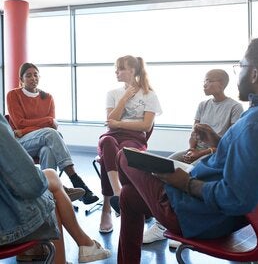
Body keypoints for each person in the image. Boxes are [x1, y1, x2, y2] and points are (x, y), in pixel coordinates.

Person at [116, 34, 258, 264]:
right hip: (228, 216)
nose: (238, 73)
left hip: (197, 216)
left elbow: (234, 198)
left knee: (123, 155)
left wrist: (184, 182)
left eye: (240, 67)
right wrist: (219, 142)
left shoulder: (255, 126)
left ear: (255, 73)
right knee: (129, 196)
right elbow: (251, 162)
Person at [143, 69, 244, 244]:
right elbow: (194, 133)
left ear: (221, 84)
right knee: (166, 164)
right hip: (196, 150)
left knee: (189, 173)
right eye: (204, 81)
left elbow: (227, 144)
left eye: (208, 81)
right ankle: (162, 223)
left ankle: (182, 225)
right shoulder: (203, 105)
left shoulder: (235, 107)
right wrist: (191, 149)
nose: (204, 84)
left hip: (215, 153)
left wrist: (199, 153)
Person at [0, 113, 111, 264]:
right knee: (52, 192)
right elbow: (32, 186)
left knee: (48, 151)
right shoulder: (13, 98)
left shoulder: (46, 98)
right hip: (6, 229)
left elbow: (50, 122)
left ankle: (83, 243)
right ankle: (84, 244)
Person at [6, 62, 99, 205]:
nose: (33, 78)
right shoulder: (13, 95)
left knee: (48, 149)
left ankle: (49, 193)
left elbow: (49, 127)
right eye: (28, 75)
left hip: (39, 139)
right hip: (22, 144)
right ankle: (75, 180)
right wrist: (46, 121)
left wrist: (25, 129)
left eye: (36, 75)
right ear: (21, 79)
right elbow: (20, 123)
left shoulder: (47, 97)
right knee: (50, 134)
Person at [97, 55, 162, 233]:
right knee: (108, 143)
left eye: (120, 68)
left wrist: (118, 123)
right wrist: (124, 98)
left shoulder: (150, 94)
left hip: (135, 138)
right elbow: (110, 121)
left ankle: (107, 207)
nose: (116, 72)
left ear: (132, 71)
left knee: (120, 153)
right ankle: (117, 196)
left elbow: (145, 125)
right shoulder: (113, 93)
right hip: (112, 135)